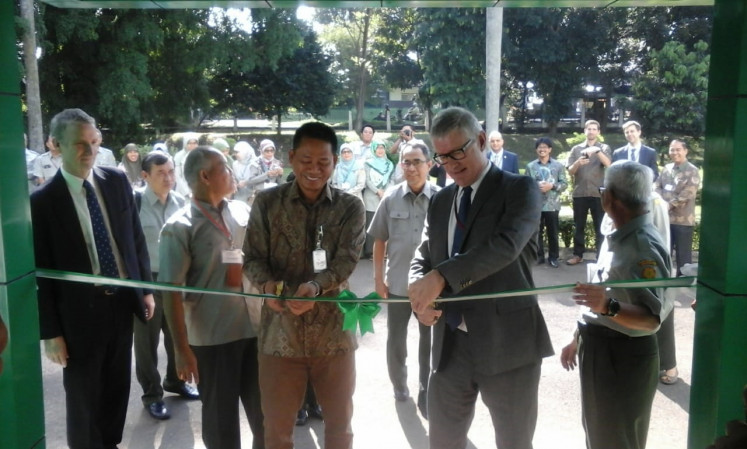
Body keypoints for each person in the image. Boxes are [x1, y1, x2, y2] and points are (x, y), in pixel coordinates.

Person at [408, 107, 553, 449]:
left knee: (514, 442)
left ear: (483, 140)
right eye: (443, 157)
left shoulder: (520, 189)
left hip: (509, 344)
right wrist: (418, 291)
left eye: (459, 152)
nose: (452, 165)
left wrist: (441, 277)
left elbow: (505, 246)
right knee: (442, 440)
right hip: (451, 344)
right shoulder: (441, 200)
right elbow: (425, 251)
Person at [31, 108, 155, 449]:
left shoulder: (115, 182)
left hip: (122, 303)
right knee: (84, 397)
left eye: (94, 142)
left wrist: (144, 290)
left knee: (117, 389)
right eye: (80, 145)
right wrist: (51, 333)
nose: (90, 152)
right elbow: (40, 275)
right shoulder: (42, 204)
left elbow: (134, 240)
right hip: (78, 316)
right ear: (56, 146)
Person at [245, 122, 365, 449]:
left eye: (323, 162)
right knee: (278, 431)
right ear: (291, 157)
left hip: (334, 336)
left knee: (339, 428)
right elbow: (252, 257)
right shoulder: (266, 204)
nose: (314, 169)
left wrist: (315, 287)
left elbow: (346, 261)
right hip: (279, 337)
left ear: (335, 161)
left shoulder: (350, 207)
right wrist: (267, 285)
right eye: (306, 160)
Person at [560, 160, 673, 449]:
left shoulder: (643, 245)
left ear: (610, 198)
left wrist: (607, 307)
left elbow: (651, 319)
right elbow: (603, 295)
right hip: (601, 347)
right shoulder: (618, 235)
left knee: (616, 439)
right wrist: (578, 336)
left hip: (622, 356)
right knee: (600, 435)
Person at [160, 146, 264, 449]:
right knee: (220, 425)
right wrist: (181, 349)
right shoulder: (179, 228)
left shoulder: (242, 212)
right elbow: (171, 293)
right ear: (205, 176)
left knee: (267, 416)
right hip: (213, 339)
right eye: (224, 167)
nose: (231, 172)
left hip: (255, 331)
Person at [368, 141, 439, 419]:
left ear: (429, 164)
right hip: (397, 283)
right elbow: (379, 241)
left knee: (429, 340)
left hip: (431, 286)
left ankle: (426, 388)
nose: (411, 167)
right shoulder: (391, 198)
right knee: (396, 340)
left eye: (417, 161)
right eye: (406, 162)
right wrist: (377, 280)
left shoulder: (443, 198)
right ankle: (399, 385)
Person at [133, 152, 197, 421]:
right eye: (161, 173)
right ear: (145, 176)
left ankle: (176, 381)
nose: (168, 178)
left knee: (176, 336)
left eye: (171, 172)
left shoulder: (181, 202)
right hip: (146, 283)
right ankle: (152, 395)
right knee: (146, 344)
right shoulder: (133, 203)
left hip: (174, 282)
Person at [654, 138, 700, 385]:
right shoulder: (666, 169)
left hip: (683, 218)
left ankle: (685, 286)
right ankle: (671, 281)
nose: (675, 152)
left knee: (683, 258)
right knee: (665, 253)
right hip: (666, 220)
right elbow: (657, 186)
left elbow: (688, 193)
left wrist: (666, 203)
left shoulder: (692, 170)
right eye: (672, 149)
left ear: (686, 151)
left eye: (678, 149)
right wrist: (661, 202)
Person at [565, 120, 612, 265]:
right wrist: (578, 162)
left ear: (598, 132)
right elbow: (570, 171)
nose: (591, 131)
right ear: (584, 131)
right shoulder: (576, 149)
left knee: (600, 227)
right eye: (589, 129)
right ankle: (577, 255)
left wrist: (597, 151)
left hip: (599, 193)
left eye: (594, 129)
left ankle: (600, 257)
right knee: (579, 226)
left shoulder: (604, 147)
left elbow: (609, 164)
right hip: (580, 194)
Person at [525, 137, 568, 268]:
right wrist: (535, 185)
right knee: (536, 232)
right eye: (539, 147)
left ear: (550, 149)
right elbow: (526, 184)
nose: (542, 149)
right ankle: (538, 256)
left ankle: (553, 257)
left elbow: (565, 184)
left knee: (553, 232)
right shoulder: (530, 166)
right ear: (536, 149)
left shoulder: (558, 165)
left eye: (545, 147)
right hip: (536, 204)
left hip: (552, 204)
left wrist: (552, 186)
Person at [362, 141, 394, 259]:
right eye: (378, 148)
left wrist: (386, 191)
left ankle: (384, 252)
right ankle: (371, 252)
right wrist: (378, 191)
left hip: (385, 196)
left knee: (384, 225)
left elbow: (392, 179)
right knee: (371, 225)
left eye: (382, 148)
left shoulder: (389, 164)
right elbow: (368, 180)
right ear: (374, 150)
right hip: (371, 197)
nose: (380, 150)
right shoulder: (368, 164)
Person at [245, 139, 284, 204]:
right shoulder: (255, 163)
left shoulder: (277, 163)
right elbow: (250, 181)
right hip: (259, 195)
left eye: (272, 150)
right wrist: (266, 175)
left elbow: (279, 183)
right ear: (262, 151)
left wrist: (280, 175)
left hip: (273, 195)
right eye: (267, 151)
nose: (270, 153)